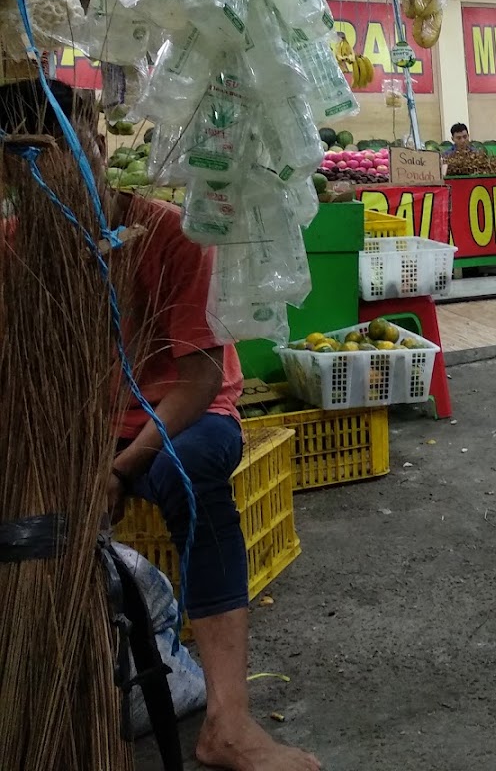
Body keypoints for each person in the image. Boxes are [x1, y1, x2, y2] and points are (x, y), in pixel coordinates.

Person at [0, 79, 320, 771]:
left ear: (99, 141)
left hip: (177, 418)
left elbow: (199, 379)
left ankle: (228, 722)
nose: (57, 167)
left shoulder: (168, 233)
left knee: (192, 478)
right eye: (25, 159)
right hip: (69, 429)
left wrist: (120, 467)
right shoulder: (11, 250)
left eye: (73, 144)